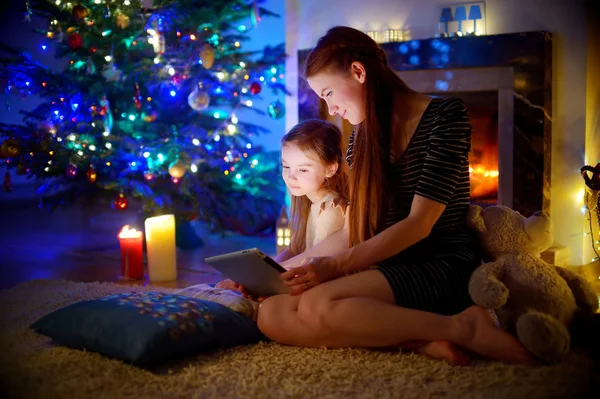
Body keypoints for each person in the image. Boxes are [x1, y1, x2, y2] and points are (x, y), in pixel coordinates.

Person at [255, 26, 533, 366]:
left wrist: (338, 266)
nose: (330, 109)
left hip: (439, 264)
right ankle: (420, 341)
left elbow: (420, 224)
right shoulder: (360, 140)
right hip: (383, 266)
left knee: (316, 306)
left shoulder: (446, 117)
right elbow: (352, 229)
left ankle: (462, 326)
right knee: (271, 312)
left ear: (358, 72)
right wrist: (278, 273)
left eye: (329, 93)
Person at [216, 119, 349, 295]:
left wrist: (258, 279)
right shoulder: (308, 202)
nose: (290, 177)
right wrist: (262, 272)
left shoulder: (330, 211)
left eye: (302, 170)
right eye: (286, 166)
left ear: (330, 169)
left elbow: (311, 265)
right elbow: (294, 250)